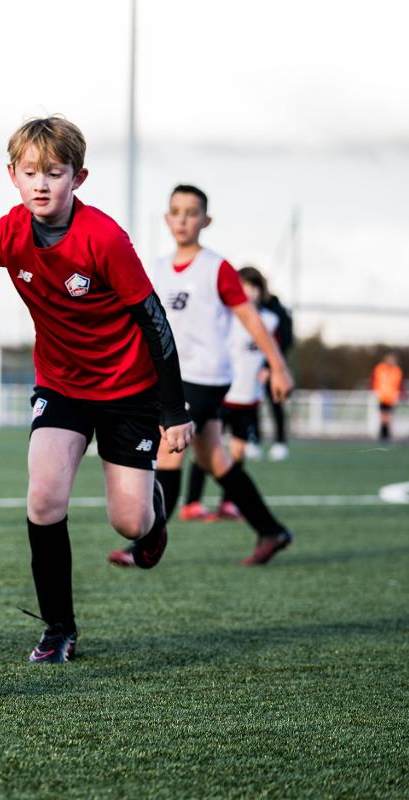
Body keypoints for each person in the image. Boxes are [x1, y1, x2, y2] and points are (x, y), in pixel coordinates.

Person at [0, 116, 193, 665]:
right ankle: (59, 628)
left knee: (129, 522)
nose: (41, 183)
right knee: (44, 498)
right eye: (30, 173)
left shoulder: (105, 238)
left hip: (128, 390)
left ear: (78, 177)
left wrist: (174, 409)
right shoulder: (9, 230)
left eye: (55, 172)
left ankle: (155, 508)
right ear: (13, 178)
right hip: (61, 385)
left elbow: (154, 319)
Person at [149, 185, 294, 566]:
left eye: (192, 212)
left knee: (169, 445)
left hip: (206, 374)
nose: (182, 219)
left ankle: (148, 543)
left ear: (206, 220)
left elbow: (250, 318)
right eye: (176, 211)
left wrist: (278, 366)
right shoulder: (159, 269)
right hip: (174, 376)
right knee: (215, 459)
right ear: (167, 218)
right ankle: (271, 529)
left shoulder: (217, 268)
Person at [180, 266, 279, 522]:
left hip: (249, 397)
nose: (248, 292)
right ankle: (192, 502)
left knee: (237, 452)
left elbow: (274, 350)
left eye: (253, 287)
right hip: (222, 394)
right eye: (243, 286)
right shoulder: (225, 317)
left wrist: (271, 368)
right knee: (205, 453)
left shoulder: (269, 321)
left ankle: (227, 504)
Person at [262, 289, 294, 460]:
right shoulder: (252, 309)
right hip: (251, 367)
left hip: (273, 367)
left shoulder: (277, 313)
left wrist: (273, 366)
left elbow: (286, 340)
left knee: (276, 404)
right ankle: (253, 440)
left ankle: (280, 442)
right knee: (248, 405)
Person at [371, 353, 403, 442]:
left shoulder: (397, 370)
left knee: (389, 417)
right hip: (382, 397)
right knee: (382, 417)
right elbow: (375, 380)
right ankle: (382, 435)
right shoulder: (380, 368)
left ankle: (387, 435)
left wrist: (398, 395)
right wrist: (375, 392)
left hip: (391, 398)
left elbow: (398, 384)